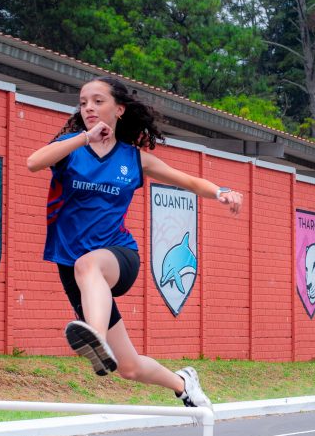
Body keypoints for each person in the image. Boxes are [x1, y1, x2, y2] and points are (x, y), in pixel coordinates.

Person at [27, 77, 244, 409]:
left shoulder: (134, 160)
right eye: (83, 102)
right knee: (127, 366)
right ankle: (183, 383)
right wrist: (83, 138)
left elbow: (186, 180)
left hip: (119, 255)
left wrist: (221, 192)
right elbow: (33, 162)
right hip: (74, 269)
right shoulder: (70, 149)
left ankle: (93, 334)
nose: (88, 107)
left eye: (98, 101)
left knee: (90, 264)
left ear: (119, 109)